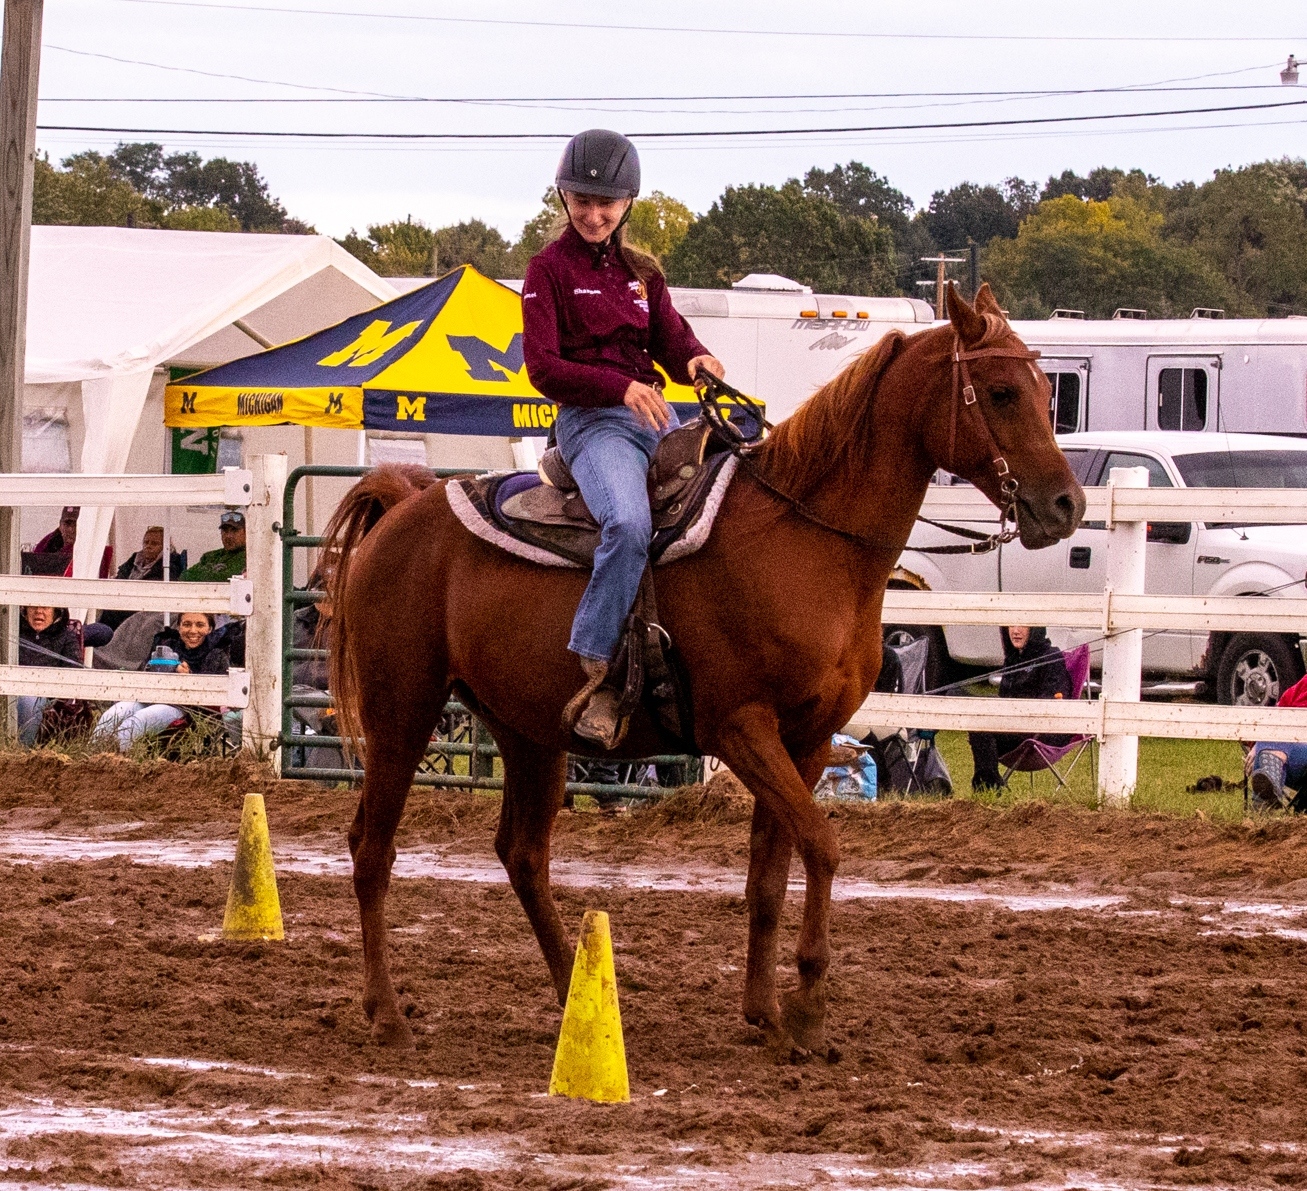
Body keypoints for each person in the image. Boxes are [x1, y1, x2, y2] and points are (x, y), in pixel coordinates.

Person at [521, 128, 724, 748]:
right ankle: (599, 668)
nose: (593, 215)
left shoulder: (644, 274)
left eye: (605, 203)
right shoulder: (546, 271)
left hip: (654, 419)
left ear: (628, 202)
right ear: (564, 198)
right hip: (591, 422)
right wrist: (620, 387)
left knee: (735, 492)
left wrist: (696, 359)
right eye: (581, 201)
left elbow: (671, 337)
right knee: (630, 525)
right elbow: (543, 368)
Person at [91, 611, 230, 752]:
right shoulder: (165, 644)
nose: (193, 630)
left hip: (183, 708)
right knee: (113, 714)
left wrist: (189, 678)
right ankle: (92, 757)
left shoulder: (216, 654)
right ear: (179, 627)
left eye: (200, 625)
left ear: (210, 628)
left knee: (137, 721)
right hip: (150, 698)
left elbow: (214, 697)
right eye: (187, 624)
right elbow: (144, 673)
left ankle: (114, 760)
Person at [968, 626, 1073, 790]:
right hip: (1011, 729)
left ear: (1034, 629)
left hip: (1040, 734)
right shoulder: (1013, 657)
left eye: (1022, 625)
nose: (1015, 631)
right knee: (973, 712)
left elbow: (1054, 702)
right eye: (1011, 625)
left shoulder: (1051, 656)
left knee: (984, 722)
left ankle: (989, 787)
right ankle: (986, 786)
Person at [17, 605, 83, 745]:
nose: (38, 611)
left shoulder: (66, 637)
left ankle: (22, 752)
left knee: (28, 701)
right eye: (33, 606)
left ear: (56, 612)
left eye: (45, 607)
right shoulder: (12, 631)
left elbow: (73, 674)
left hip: (47, 696)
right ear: (25, 610)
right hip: (9, 690)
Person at [98, 526, 187, 631]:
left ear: (166, 547)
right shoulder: (134, 559)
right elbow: (120, 577)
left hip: (144, 607)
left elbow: (157, 589)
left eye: (154, 543)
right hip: (122, 600)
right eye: (146, 542)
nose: (148, 546)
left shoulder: (171, 565)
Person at [1246, 673, 1307, 810]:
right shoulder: (1304, 684)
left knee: (1272, 740)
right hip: (1294, 758)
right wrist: (1257, 745)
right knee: (1271, 738)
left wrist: (1262, 745)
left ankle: (1265, 799)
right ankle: (1269, 787)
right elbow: (1276, 717)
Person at [30, 506, 112, 577]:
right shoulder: (45, 548)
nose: (71, 529)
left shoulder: (91, 555)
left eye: (75, 524)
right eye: (67, 524)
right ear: (60, 526)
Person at [182, 510, 245, 582]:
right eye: (225, 531)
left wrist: (206, 571)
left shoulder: (248, 558)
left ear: (245, 532)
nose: (228, 536)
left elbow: (226, 578)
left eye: (234, 531)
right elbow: (185, 576)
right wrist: (214, 573)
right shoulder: (209, 556)